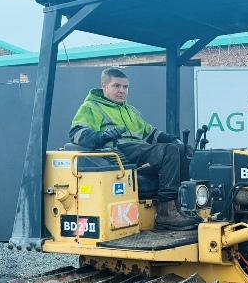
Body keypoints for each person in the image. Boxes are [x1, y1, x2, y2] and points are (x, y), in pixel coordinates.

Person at [69, 67, 199, 231]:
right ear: (104, 86)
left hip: (139, 149)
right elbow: (76, 133)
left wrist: (172, 139)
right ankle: (166, 212)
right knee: (168, 151)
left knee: (183, 150)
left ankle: (182, 206)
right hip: (118, 151)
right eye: (116, 86)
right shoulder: (91, 107)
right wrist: (102, 136)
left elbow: (151, 133)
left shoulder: (130, 110)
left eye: (125, 87)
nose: (122, 91)